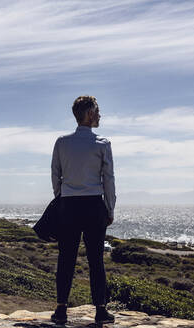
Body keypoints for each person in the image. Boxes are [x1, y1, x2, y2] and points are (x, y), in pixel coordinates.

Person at [50, 95, 116, 325]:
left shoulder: (61, 142)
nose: (99, 115)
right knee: (96, 260)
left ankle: (60, 310)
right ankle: (100, 310)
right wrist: (110, 208)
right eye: (97, 111)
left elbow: (55, 176)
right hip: (93, 205)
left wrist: (62, 198)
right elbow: (108, 179)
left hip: (68, 205)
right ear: (89, 114)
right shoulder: (102, 143)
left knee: (65, 258)